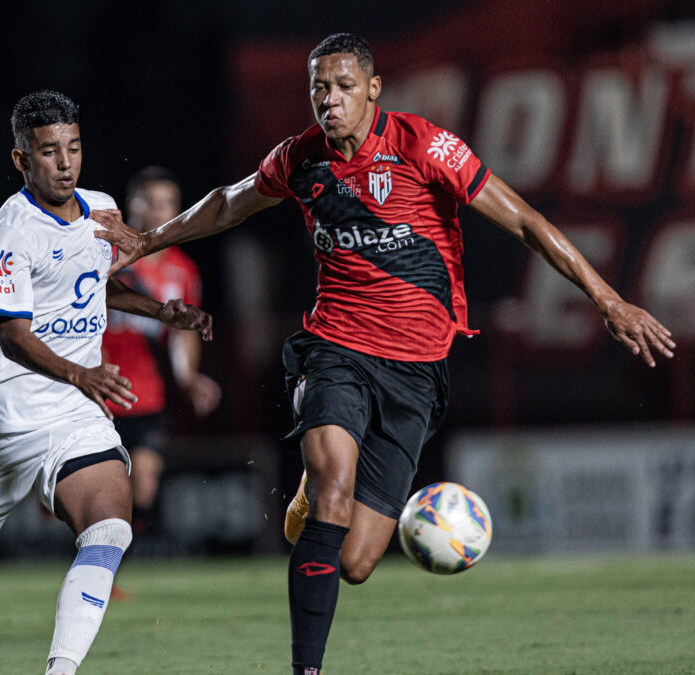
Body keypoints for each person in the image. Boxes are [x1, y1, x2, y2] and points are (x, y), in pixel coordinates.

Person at [91, 33, 675, 674]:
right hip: (334, 348)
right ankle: (305, 667)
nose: (329, 101)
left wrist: (608, 300)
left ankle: (318, 499)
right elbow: (231, 201)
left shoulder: (423, 146)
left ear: (373, 89)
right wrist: (148, 241)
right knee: (335, 492)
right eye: (319, 87)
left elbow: (528, 222)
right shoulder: (301, 158)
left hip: (417, 370)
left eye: (343, 87)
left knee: (356, 561)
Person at [0, 90, 212, 675]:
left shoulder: (101, 210)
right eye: (49, 152)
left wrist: (162, 313)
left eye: (73, 147)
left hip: (71, 414)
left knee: (110, 527)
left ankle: (61, 669)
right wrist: (86, 372)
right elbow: (14, 337)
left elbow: (96, 283)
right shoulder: (10, 232)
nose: (65, 162)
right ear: (23, 160)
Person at [101, 166, 221, 535]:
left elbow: (182, 334)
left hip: (146, 396)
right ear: (130, 204)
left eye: (167, 203)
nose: (158, 210)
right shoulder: (105, 257)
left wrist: (187, 377)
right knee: (102, 488)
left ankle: (115, 561)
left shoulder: (182, 271)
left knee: (144, 485)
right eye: (149, 201)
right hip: (96, 391)